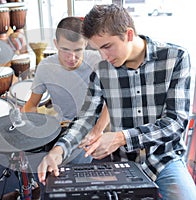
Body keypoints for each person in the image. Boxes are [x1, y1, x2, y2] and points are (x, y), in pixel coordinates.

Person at [37, 4, 196, 200]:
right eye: (97, 49)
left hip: (164, 160)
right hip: (119, 164)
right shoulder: (103, 68)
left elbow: (175, 123)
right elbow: (85, 118)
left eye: (107, 47)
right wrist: (58, 150)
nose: (103, 57)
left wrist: (120, 138)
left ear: (129, 35)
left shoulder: (176, 58)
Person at [22, 16, 110, 163]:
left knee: (77, 163)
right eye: (65, 50)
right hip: (65, 127)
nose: (72, 57)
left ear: (86, 43)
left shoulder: (97, 61)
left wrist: (96, 131)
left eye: (78, 50)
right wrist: (34, 127)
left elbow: (112, 101)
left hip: (98, 125)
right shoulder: (45, 67)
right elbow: (31, 105)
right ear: (56, 44)